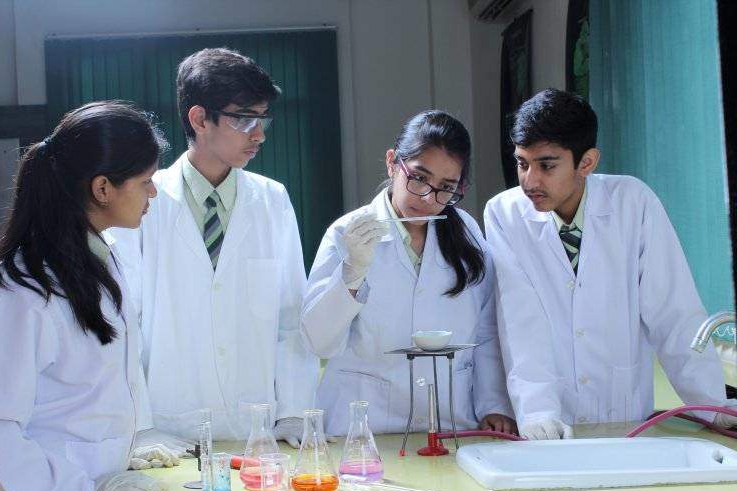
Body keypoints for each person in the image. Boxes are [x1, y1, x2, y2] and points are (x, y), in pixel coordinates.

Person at [0, 101, 172, 491]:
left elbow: (85, 392)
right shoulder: (15, 285)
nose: (154, 194)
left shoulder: (100, 258)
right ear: (103, 188)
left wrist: (119, 450)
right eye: (146, 182)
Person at [484, 88, 737, 440]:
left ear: (586, 162)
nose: (530, 180)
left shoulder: (633, 202)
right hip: (549, 417)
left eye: (547, 165)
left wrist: (713, 404)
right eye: (522, 163)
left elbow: (673, 311)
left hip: (623, 411)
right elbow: (519, 319)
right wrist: (538, 411)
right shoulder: (504, 213)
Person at [107, 48, 319, 445]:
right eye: (244, 119)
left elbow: (290, 317)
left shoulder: (272, 200)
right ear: (200, 119)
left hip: (257, 427)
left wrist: (293, 413)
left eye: (263, 119)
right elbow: (125, 322)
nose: (259, 135)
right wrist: (141, 427)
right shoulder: (144, 203)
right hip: (170, 428)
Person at [301, 110, 516, 436]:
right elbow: (318, 341)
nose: (429, 198)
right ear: (392, 163)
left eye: (446, 187)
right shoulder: (348, 233)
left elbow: (486, 331)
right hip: (365, 426)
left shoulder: (467, 233)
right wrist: (352, 272)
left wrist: (494, 404)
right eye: (419, 178)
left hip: (449, 421)